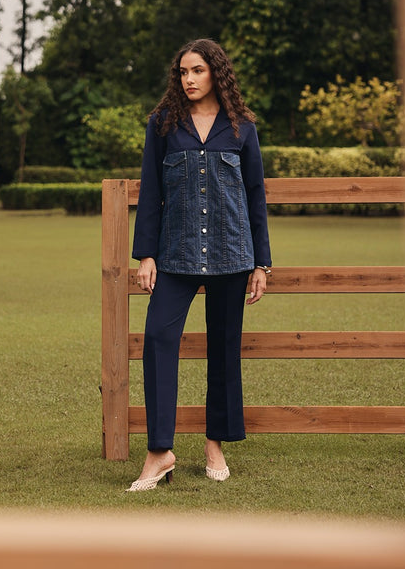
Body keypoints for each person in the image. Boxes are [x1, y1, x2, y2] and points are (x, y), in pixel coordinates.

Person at [127, 38, 271, 492]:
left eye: (198, 71)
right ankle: (159, 451)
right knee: (157, 337)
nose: (189, 79)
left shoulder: (241, 128)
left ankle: (215, 444)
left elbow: (255, 197)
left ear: (216, 74)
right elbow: (151, 191)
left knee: (224, 349)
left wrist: (261, 263)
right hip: (176, 252)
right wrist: (147, 253)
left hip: (232, 252)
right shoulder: (163, 125)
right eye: (183, 72)